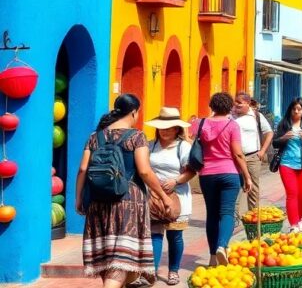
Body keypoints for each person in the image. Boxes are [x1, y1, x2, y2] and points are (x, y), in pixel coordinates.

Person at [76, 94, 175, 287]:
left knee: (109, 260)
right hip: (128, 202)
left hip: (98, 201)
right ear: (134, 111)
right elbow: (145, 171)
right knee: (121, 262)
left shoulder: (94, 137)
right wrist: (164, 197)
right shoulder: (137, 137)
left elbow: (82, 169)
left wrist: (78, 198)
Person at [191, 92, 254, 266]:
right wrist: (247, 176)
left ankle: (212, 258)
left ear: (211, 106)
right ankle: (222, 246)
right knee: (226, 212)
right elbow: (238, 153)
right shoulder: (232, 126)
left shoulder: (200, 124)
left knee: (211, 214)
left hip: (207, 175)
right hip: (229, 173)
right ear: (229, 107)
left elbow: (193, 143)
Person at [145, 108, 195, 286]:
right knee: (154, 234)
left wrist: (175, 181)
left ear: (176, 129)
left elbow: (191, 171)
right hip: (154, 197)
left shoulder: (183, 147)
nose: (164, 131)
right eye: (161, 127)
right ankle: (152, 271)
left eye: (169, 127)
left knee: (175, 235)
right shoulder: (150, 145)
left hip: (177, 197)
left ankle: (173, 270)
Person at [272, 97, 302, 232]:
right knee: (291, 193)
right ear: (290, 109)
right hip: (286, 163)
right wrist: (283, 138)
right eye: (294, 109)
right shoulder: (284, 123)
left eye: (299, 109)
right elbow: (274, 143)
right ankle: (293, 224)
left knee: (301, 194)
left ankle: (301, 218)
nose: (296, 111)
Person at [231, 93, 272, 214]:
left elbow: (269, 132)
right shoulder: (230, 116)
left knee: (253, 188)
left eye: (240, 102)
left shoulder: (256, 116)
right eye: (235, 102)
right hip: (234, 157)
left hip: (252, 156)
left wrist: (262, 151)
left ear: (247, 103)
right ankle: (235, 217)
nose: (236, 104)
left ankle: (253, 216)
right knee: (235, 186)